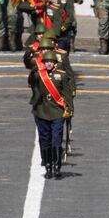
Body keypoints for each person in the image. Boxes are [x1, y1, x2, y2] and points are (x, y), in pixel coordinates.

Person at [27, 50, 74, 180]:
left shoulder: (62, 76)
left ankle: (57, 166)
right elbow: (31, 83)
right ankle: (48, 166)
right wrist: (31, 69)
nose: (48, 64)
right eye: (46, 61)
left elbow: (67, 94)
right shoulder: (39, 75)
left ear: (55, 63)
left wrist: (70, 109)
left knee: (56, 140)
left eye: (51, 62)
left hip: (57, 111)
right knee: (45, 140)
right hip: (42, 111)